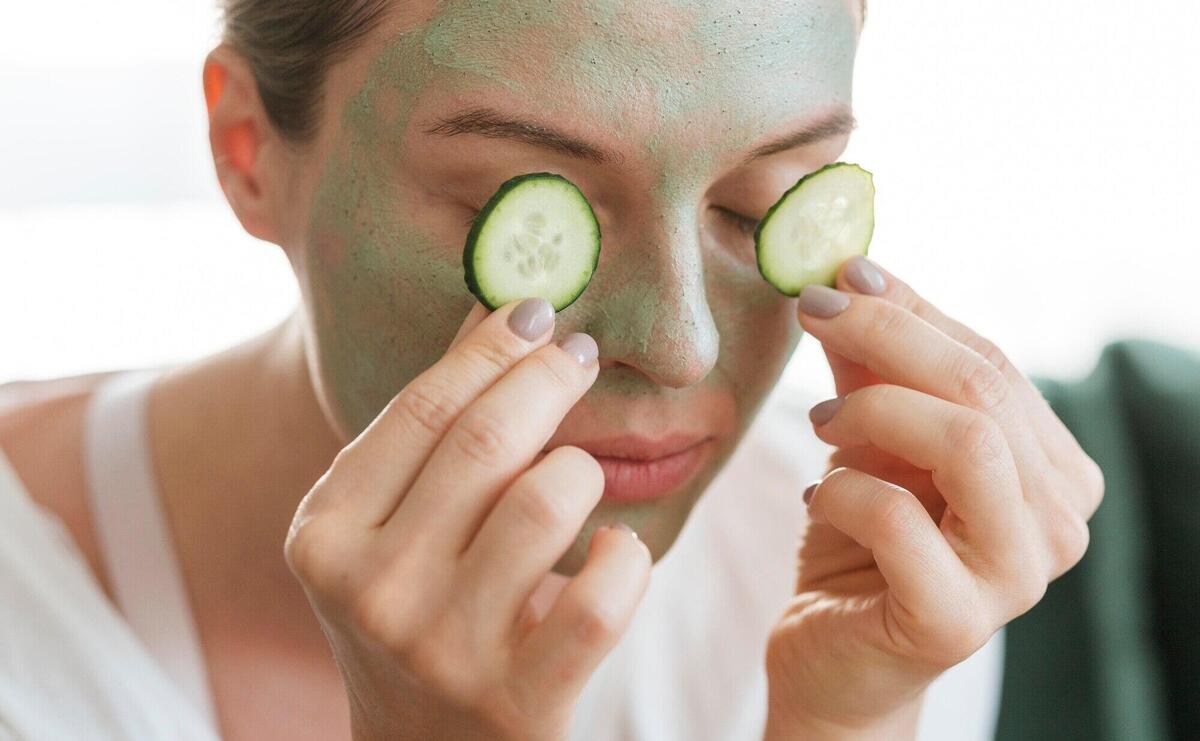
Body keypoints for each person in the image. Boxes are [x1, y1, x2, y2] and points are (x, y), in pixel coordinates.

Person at [6, 1, 1188, 739]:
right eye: (534, 207)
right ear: (247, 148)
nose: (681, 344)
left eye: (762, 201)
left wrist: (846, 724)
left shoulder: (853, 574)